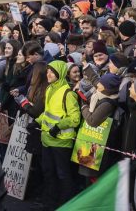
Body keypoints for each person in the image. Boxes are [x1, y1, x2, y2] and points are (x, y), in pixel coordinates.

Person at [35, 60, 81, 209]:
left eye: (51, 71)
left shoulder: (68, 93)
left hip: (61, 142)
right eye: (47, 71)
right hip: (47, 139)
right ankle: (49, 203)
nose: (48, 74)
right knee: (48, 173)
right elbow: (49, 112)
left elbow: (75, 119)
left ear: (59, 73)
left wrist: (58, 126)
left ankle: (65, 205)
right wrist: (37, 121)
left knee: (63, 175)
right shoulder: (49, 89)